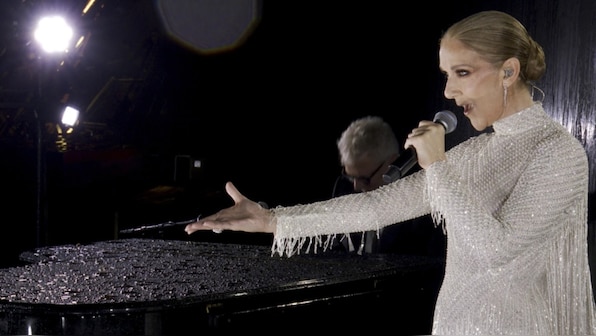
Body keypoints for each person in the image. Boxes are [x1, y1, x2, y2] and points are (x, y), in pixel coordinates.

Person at [185, 10, 596, 335]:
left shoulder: (558, 153)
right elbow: (380, 206)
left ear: (508, 71)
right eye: (446, 76)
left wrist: (437, 165)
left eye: (463, 73)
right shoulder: (476, 152)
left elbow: (498, 252)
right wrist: (273, 220)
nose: (449, 92)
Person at [333, 115, 446, 257]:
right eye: (350, 177)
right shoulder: (343, 188)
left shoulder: (423, 203)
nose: (356, 186)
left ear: (391, 163)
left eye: (365, 179)